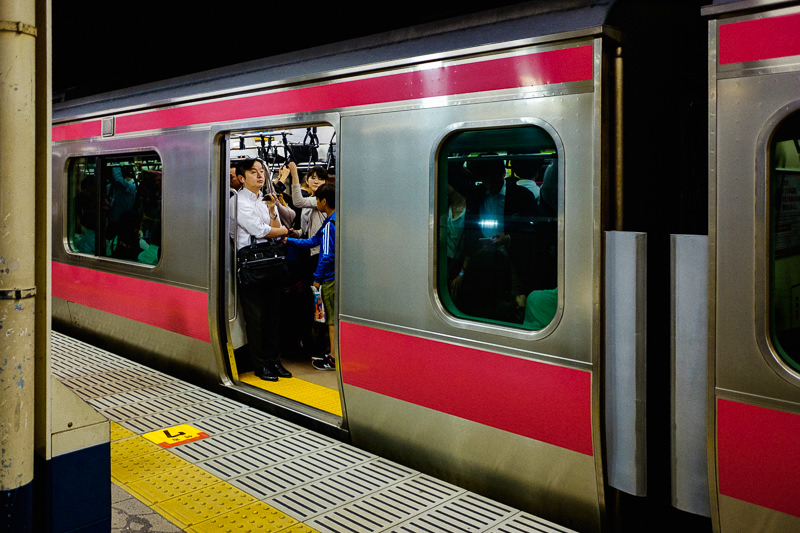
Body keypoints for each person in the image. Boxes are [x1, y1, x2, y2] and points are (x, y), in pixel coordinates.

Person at [232, 158, 294, 381]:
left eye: (261, 172)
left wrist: (272, 209)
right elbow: (259, 231)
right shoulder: (237, 202)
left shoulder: (263, 200)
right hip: (252, 264)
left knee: (273, 316)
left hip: (270, 262)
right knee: (256, 318)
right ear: (241, 178)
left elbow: (274, 227)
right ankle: (260, 364)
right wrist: (287, 231)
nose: (260, 175)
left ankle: (274, 360)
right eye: (253, 172)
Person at [285, 183, 336, 371]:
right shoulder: (335, 220)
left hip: (330, 278)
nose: (316, 203)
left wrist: (317, 277)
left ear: (323, 201)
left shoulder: (330, 224)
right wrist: (289, 239)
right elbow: (313, 241)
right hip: (337, 276)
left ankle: (333, 358)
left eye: (317, 199)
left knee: (330, 320)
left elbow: (327, 254)